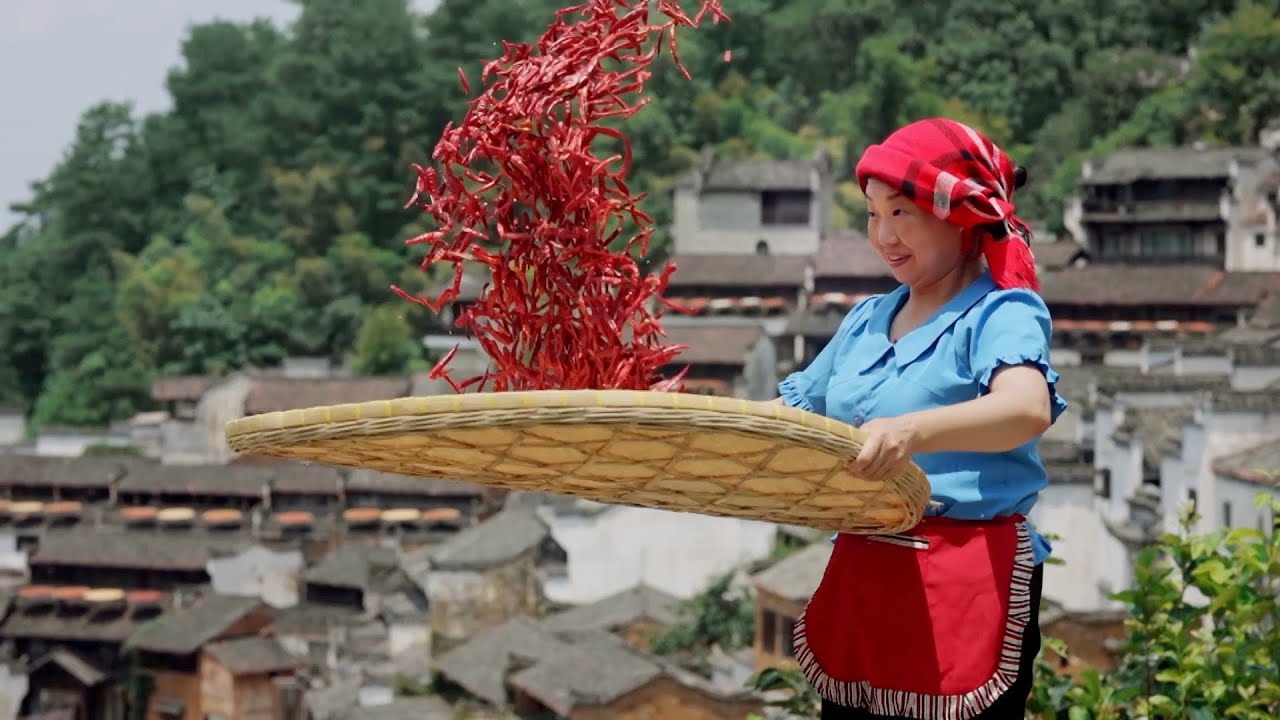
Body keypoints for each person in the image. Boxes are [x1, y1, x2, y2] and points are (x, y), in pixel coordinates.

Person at [778, 118, 1067, 720]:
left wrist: (910, 432)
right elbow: (792, 414)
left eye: (901, 213)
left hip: (966, 578)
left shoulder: (1001, 312)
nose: (883, 236)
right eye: (872, 214)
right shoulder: (866, 318)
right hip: (868, 567)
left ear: (958, 216)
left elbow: (1025, 407)